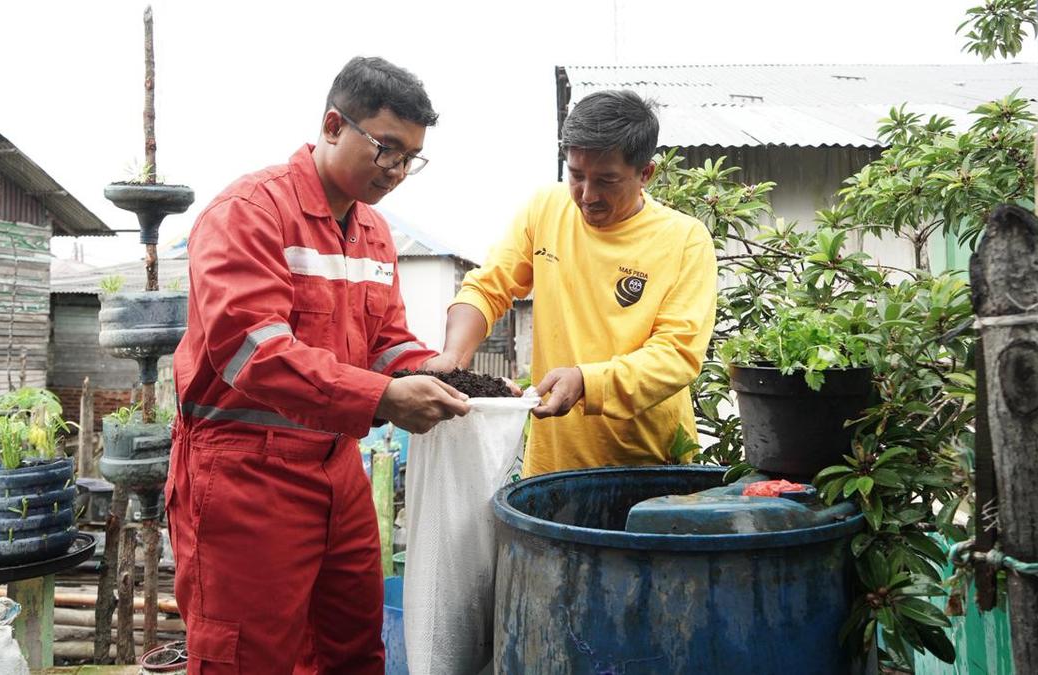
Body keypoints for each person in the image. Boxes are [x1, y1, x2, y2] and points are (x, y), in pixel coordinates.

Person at [166, 56, 470, 674]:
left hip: (336, 466)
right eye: (388, 149)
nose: (399, 170)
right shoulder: (249, 212)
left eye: (412, 156)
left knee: (352, 648)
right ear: (334, 125)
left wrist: (451, 380)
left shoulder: (374, 232)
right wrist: (384, 400)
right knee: (248, 658)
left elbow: (384, 342)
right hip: (244, 470)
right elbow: (254, 353)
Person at [428, 90, 717, 476]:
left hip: (649, 465)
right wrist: (454, 357)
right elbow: (487, 287)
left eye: (607, 180)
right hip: (553, 461)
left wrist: (587, 381)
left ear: (645, 173)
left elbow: (676, 356)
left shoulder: (685, 240)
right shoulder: (546, 209)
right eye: (576, 176)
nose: (587, 195)